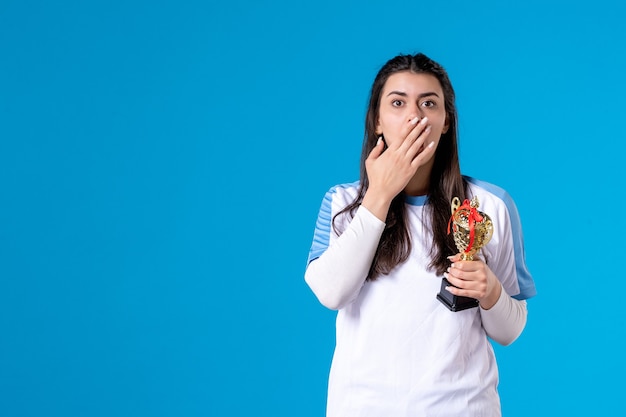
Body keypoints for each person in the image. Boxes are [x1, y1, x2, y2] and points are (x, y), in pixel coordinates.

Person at [304, 52, 536, 417]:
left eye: (429, 103)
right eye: (398, 103)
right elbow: (331, 293)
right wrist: (379, 195)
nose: (415, 116)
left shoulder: (490, 206)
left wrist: (490, 290)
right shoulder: (342, 202)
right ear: (377, 120)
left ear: (446, 122)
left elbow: (510, 331)